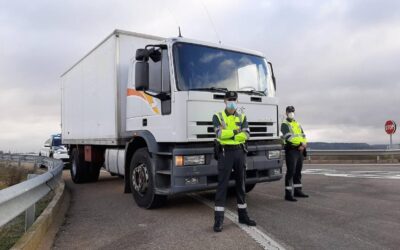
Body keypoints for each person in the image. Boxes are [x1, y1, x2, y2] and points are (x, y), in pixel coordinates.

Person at [212, 91, 256, 232]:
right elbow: (219, 134)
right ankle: (218, 220)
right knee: (222, 186)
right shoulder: (218, 116)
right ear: (224, 101)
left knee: (241, 185)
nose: (232, 101)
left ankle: (243, 216)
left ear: (237, 101)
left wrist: (231, 134)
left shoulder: (242, 116)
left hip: (240, 152)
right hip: (225, 153)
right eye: (229, 99)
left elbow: (247, 135)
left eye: (234, 99)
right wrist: (237, 132)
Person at [281, 105, 309, 202]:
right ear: (286, 113)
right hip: (291, 151)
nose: (291, 113)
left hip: (300, 151)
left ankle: (298, 191)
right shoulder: (284, 124)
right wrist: (301, 143)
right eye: (289, 111)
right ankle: (288, 194)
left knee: (298, 172)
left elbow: (303, 135)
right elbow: (289, 138)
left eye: (292, 111)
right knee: (291, 172)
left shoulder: (297, 124)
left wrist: (304, 143)